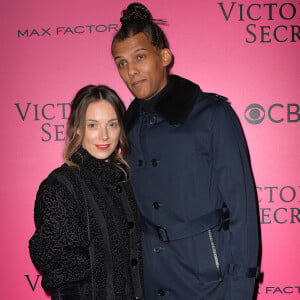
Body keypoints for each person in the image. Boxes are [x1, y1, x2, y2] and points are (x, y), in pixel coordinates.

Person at [111, 3, 260, 299]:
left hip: (207, 284)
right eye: (122, 63)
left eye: (140, 57)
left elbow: (242, 210)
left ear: (164, 57)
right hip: (148, 282)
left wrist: (240, 289)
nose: (131, 71)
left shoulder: (212, 115)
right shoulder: (123, 127)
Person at [29, 85, 143, 300]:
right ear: (78, 128)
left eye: (112, 124)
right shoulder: (61, 186)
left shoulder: (127, 180)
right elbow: (62, 279)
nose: (104, 135)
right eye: (93, 125)